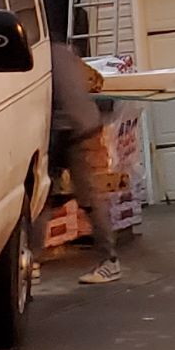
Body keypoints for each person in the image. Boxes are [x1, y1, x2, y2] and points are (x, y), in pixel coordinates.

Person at [49, 38, 124, 286]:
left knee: (88, 199)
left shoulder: (45, 59)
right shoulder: (65, 53)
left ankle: (110, 261)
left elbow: (63, 102)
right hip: (79, 127)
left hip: (74, 133)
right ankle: (27, 263)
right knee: (45, 200)